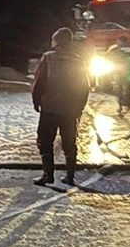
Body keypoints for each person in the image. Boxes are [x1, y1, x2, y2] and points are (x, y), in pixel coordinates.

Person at [31, 27, 90, 186]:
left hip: (50, 108)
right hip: (70, 111)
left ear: (56, 41)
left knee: (45, 140)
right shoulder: (79, 61)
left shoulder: (48, 58)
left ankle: (47, 175)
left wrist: (36, 101)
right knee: (69, 143)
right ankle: (70, 176)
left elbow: (39, 83)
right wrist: (79, 108)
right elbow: (84, 87)